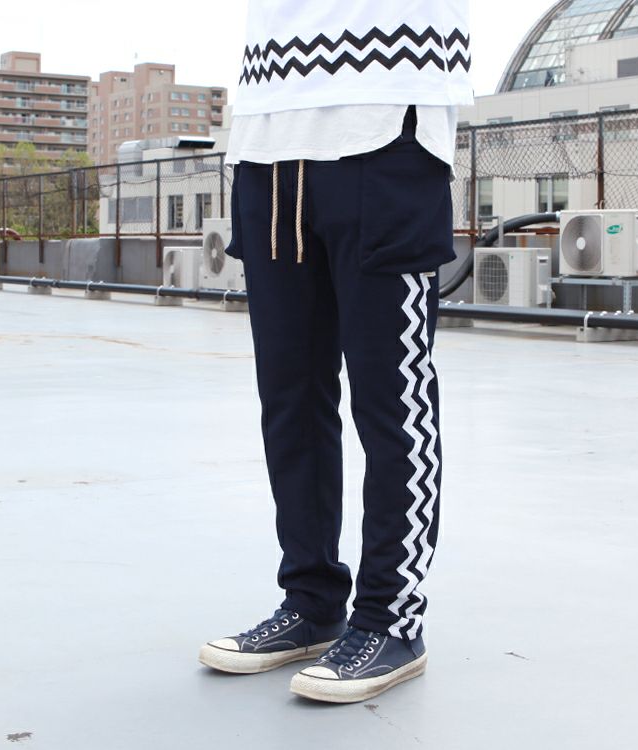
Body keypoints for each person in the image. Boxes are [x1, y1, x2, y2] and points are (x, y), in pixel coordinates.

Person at [198, 0, 473, 704]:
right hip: (266, 135)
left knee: (391, 398)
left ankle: (390, 619)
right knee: (289, 394)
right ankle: (312, 601)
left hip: (386, 119)